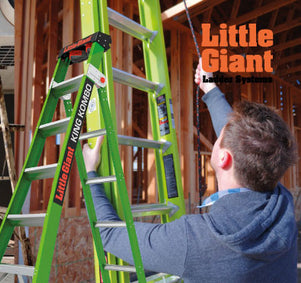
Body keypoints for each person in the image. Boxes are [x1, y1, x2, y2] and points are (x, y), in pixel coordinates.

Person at [82, 59, 298, 282]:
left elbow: (108, 233)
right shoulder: (281, 204)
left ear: (224, 158)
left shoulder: (194, 240)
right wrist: (209, 86)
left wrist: (90, 173)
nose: (220, 133)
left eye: (222, 137)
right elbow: (241, 141)